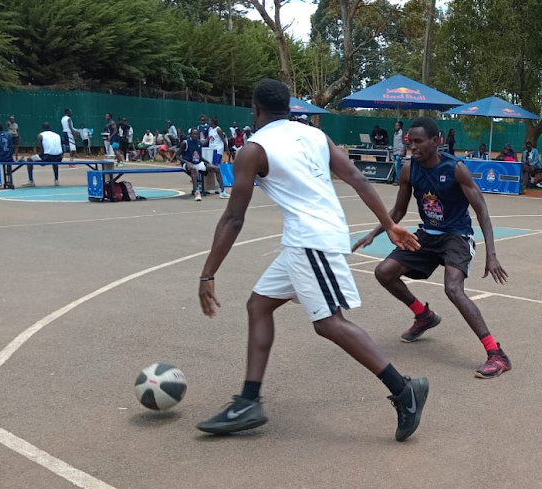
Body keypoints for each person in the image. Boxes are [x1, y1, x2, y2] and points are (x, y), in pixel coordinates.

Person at [196, 79, 429, 442]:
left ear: (256, 110)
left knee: (329, 322)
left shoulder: (253, 149)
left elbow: (233, 218)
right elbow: (354, 177)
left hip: (311, 241)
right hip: (304, 241)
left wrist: (207, 273)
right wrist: (389, 224)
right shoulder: (313, 135)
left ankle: (404, 391)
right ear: (288, 108)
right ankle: (248, 402)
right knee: (258, 305)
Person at [354, 116, 511, 379]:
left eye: (418, 141)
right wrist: (376, 232)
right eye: (409, 141)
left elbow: (481, 209)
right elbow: (399, 210)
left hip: (456, 235)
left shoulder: (455, 168)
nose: (412, 146)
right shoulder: (408, 169)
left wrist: (491, 255)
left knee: (453, 289)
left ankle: (496, 354)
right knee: (384, 272)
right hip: (427, 235)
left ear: (435, 141)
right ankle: (423, 315)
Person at [174, 128, 229, 201]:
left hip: (198, 163)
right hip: (186, 163)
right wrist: (187, 162)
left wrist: (208, 162)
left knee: (216, 168)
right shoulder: (185, 143)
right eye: (193, 134)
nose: (195, 135)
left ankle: (223, 191)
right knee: (193, 169)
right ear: (190, 135)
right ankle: (197, 192)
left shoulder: (199, 143)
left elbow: (200, 156)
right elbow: (177, 156)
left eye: (196, 134)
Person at [22, 122, 62, 187]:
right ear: (50, 127)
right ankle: (56, 180)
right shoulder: (57, 135)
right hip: (59, 158)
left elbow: (41, 149)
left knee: (29, 159)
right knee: (54, 159)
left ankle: (31, 181)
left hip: (47, 157)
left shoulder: (40, 135)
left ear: (42, 128)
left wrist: (42, 158)